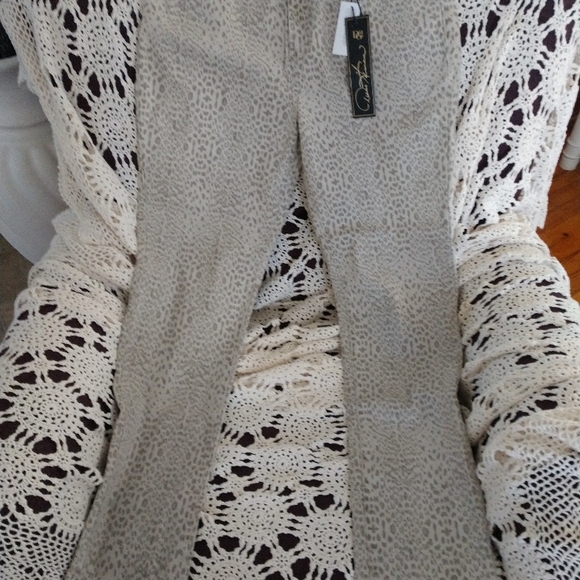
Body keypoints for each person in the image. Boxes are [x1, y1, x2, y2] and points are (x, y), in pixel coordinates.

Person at [0, 0, 579, 579]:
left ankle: (424, 544)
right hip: (212, 18)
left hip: (377, 20)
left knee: (395, 277)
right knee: (192, 269)